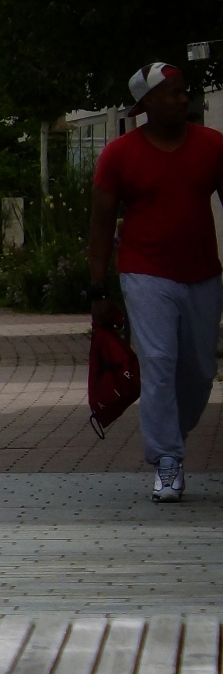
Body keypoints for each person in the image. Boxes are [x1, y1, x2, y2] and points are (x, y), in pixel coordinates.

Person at [88, 62, 223, 501]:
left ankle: (173, 434)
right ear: (146, 104)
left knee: (201, 370)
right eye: (172, 93)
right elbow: (101, 225)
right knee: (160, 362)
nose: (183, 99)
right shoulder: (119, 155)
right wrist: (98, 291)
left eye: (185, 92)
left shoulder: (212, 146)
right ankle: (167, 459)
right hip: (145, 273)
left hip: (203, 274)